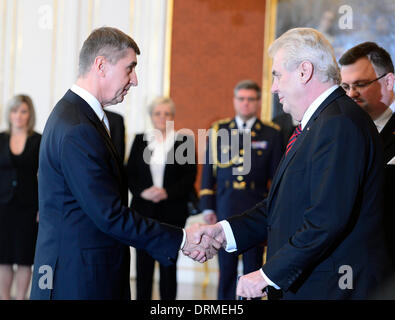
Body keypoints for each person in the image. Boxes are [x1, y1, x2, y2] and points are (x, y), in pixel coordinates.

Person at [187, 28, 392, 299]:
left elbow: (326, 220)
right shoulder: (320, 123)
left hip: (332, 288)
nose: (273, 88)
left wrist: (266, 275)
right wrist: (224, 231)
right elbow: (282, 206)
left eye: (277, 75)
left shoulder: (338, 124)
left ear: (304, 71)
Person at [29, 26, 219, 300]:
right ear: (101, 65)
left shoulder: (77, 116)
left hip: (85, 271)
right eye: (130, 68)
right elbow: (109, 215)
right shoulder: (78, 127)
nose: (135, 80)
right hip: (79, 279)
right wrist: (183, 238)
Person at [199, 80, 283, 299]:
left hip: (256, 207)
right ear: (235, 101)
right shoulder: (220, 130)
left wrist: (275, 210)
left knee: (253, 266)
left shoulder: (271, 133)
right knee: (225, 269)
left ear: (257, 102)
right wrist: (207, 206)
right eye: (241, 99)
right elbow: (209, 171)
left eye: (250, 99)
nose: (246, 104)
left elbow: (277, 178)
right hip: (225, 206)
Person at [127, 97, 197, 300]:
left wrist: (166, 192)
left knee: (168, 263)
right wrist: (142, 192)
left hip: (172, 210)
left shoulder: (184, 140)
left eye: (167, 113)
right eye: (158, 113)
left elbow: (189, 176)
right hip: (143, 210)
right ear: (151, 116)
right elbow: (130, 173)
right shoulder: (140, 140)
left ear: (172, 117)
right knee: (143, 264)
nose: (162, 117)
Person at [339, 42, 395, 266]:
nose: (351, 93)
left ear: (389, 82)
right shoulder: (337, 134)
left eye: (360, 84)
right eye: (345, 86)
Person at [0, 95, 41, 300]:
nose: (18, 115)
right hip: (2, 207)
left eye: (23, 111)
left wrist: (43, 207)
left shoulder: (38, 140)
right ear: (9, 114)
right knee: (4, 258)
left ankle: (21, 298)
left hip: (28, 207)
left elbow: (45, 176)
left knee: (25, 258)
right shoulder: (0, 139)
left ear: (29, 114)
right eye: (15, 111)